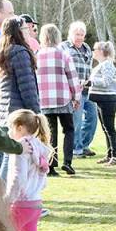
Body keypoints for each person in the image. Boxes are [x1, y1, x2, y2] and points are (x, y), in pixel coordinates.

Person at [0, 16, 40, 179]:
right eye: (26, 29)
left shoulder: (2, 51)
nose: (29, 32)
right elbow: (27, 87)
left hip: (0, 111)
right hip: (15, 111)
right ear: (19, 32)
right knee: (9, 156)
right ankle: (3, 198)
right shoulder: (20, 52)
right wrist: (36, 113)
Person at [36, 23, 81, 176]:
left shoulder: (37, 55)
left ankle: (51, 164)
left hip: (45, 99)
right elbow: (72, 77)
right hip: (63, 98)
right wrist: (77, 97)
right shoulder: (63, 54)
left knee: (50, 132)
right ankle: (67, 162)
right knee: (69, 130)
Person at [5, 109, 53, 231]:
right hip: (35, 203)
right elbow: (43, 179)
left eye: (10, 128)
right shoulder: (39, 147)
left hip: (20, 203)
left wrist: (7, 200)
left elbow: (18, 177)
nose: (9, 133)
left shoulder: (21, 149)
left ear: (19, 127)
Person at [62, 22, 95, 158]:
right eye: (77, 34)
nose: (79, 37)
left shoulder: (86, 47)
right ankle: (76, 148)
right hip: (74, 90)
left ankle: (84, 144)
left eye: (82, 35)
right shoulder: (64, 47)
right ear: (70, 34)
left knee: (92, 118)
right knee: (77, 119)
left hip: (88, 88)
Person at [88, 41, 116, 165]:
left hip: (108, 100)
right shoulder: (102, 64)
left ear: (101, 51)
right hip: (102, 100)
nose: (93, 51)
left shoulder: (107, 64)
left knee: (110, 128)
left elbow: (106, 81)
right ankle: (109, 154)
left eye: (95, 49)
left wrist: (90, 81)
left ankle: (115, 155)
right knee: (106, 128)